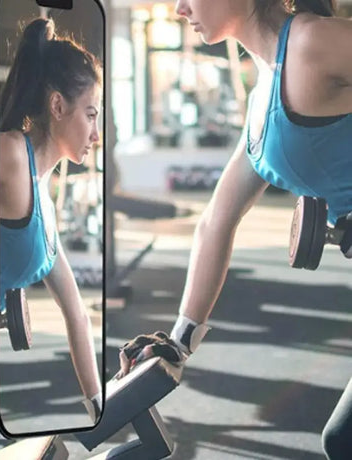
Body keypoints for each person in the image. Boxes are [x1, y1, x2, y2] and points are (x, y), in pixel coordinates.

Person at [117, 1, 352, 457]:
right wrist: (178, 343)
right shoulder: (266, 88)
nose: (180, 8)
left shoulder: (311, 42)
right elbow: (217, 220)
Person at [0, 17, 103, 422]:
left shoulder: (45, 193)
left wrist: (99, 405)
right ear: (57, 106)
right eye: (90, 115)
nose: (96, 133)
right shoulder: (9, 153)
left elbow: (76, 314)